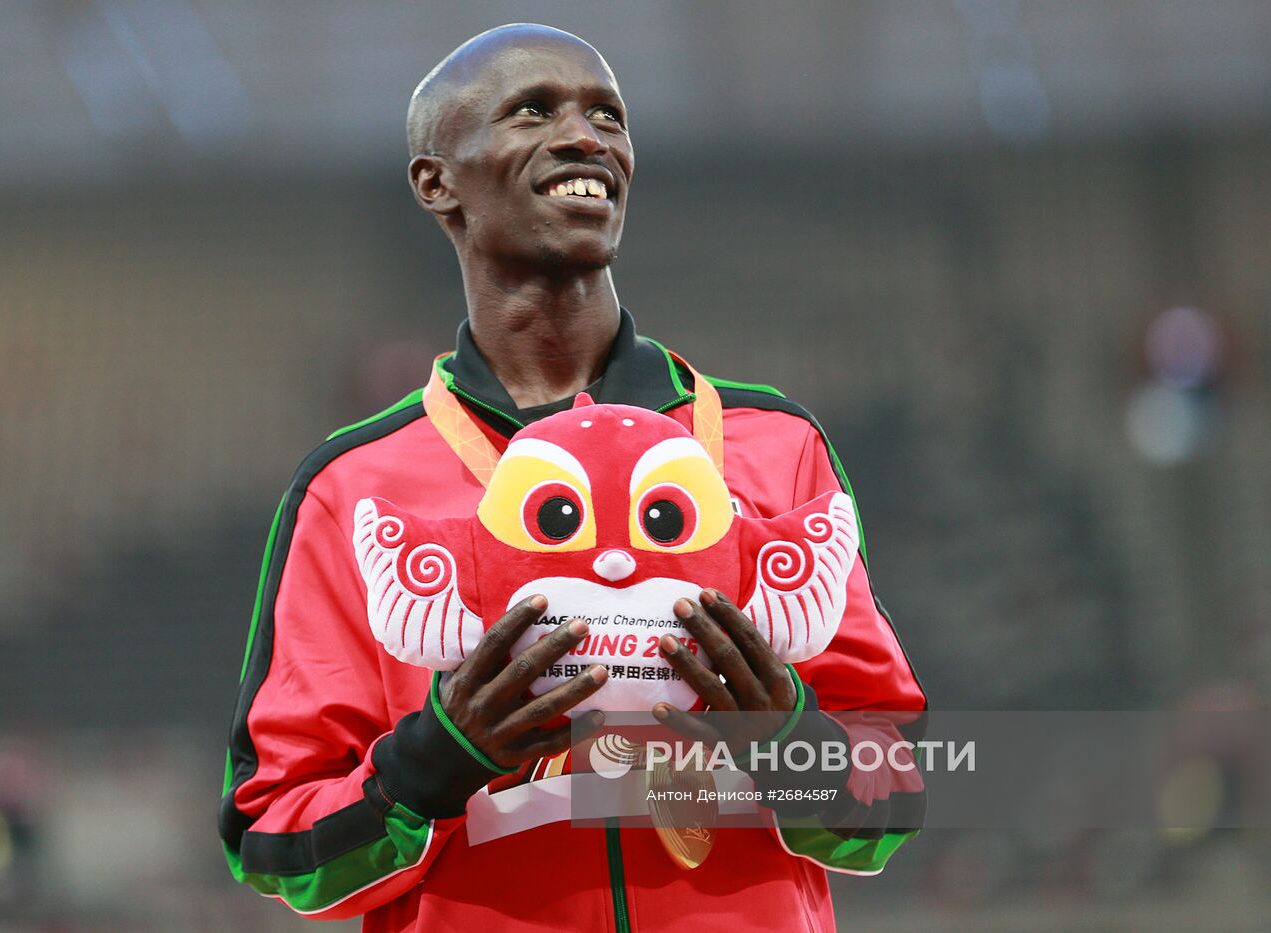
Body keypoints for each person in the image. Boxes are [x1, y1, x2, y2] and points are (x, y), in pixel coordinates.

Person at [219, 23, 926, 932]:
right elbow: (272, 837)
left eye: (608, 117)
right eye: (532, 111)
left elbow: (895, 789)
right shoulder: (354, 489)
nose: (588, 137)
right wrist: (433, 762)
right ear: (438, 182)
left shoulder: (771, 445)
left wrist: (788, 741)